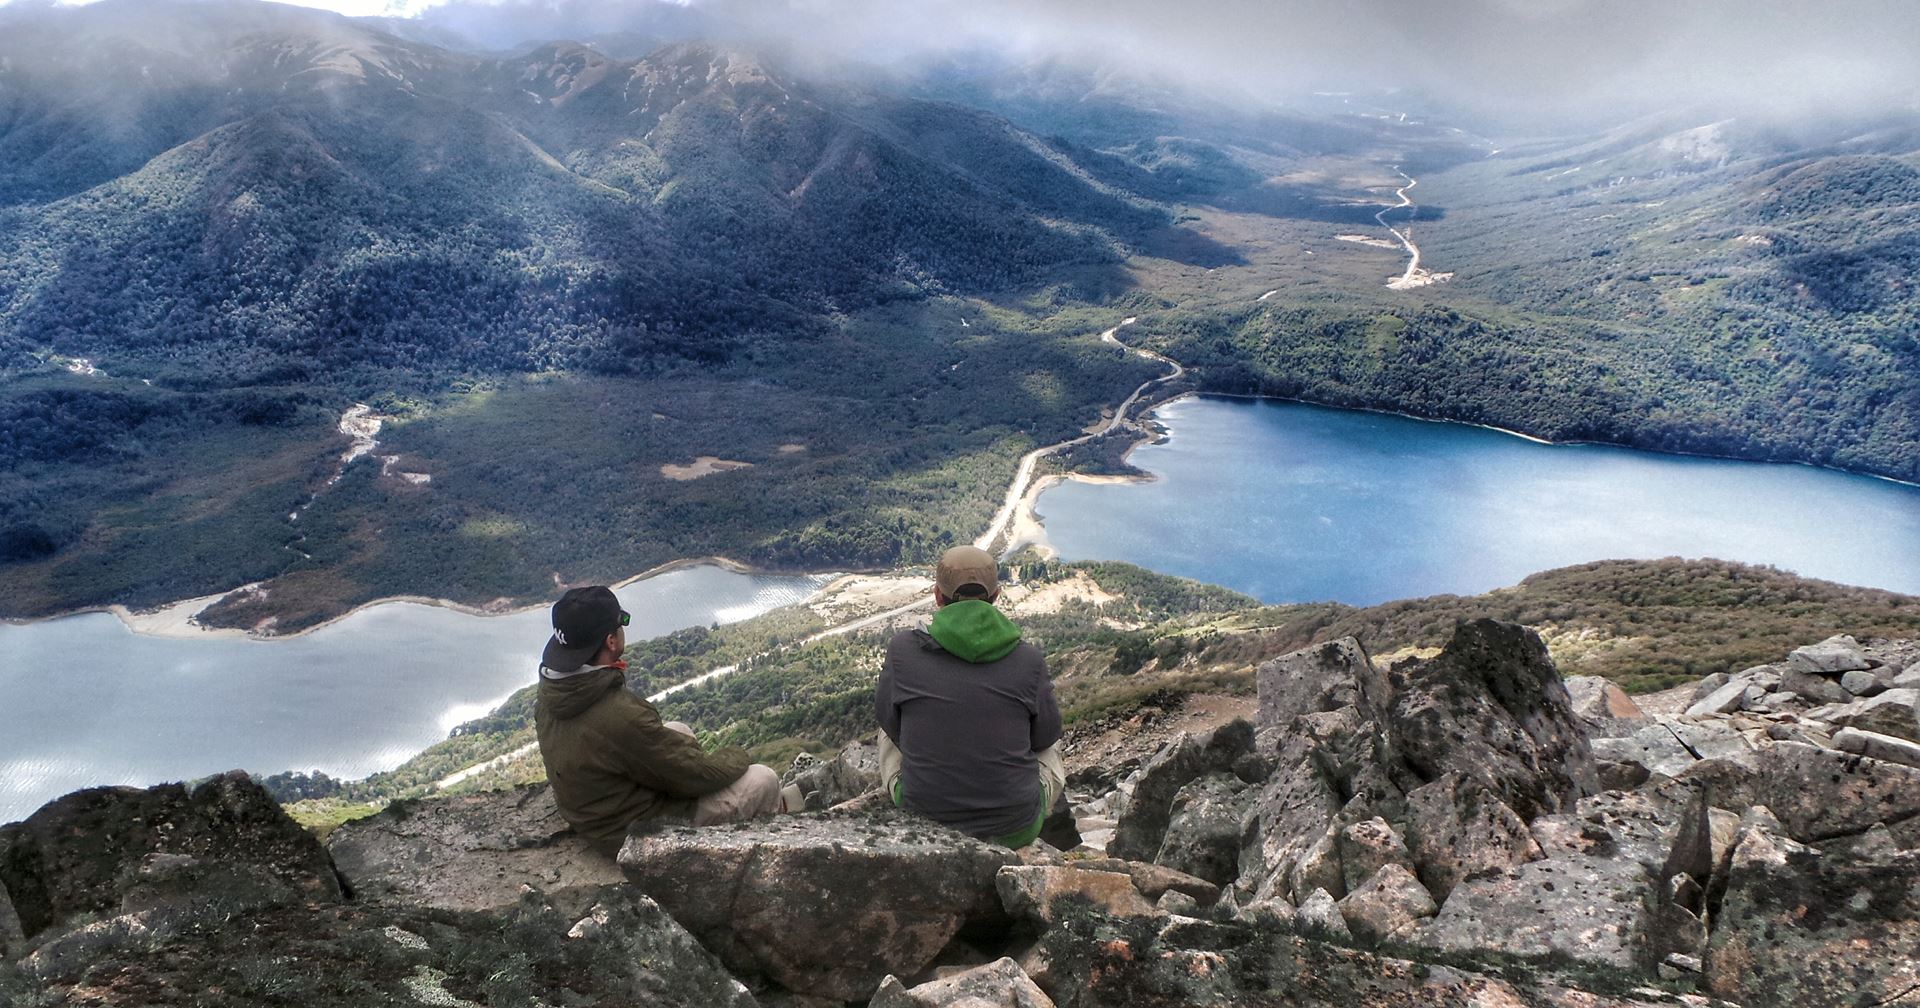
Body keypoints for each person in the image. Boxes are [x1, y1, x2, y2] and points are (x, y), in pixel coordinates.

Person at [535, 585, 788, 854]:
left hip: (595, 815)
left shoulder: (551, 692)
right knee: (764, 779)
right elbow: (700, 775)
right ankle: (777, 854)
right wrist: (739, 755)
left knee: (678, 730)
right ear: (611, 641)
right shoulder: (618, 714)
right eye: (623, 623)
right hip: (630, 835)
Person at [875, 545, 1067, 848]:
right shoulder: (1028, 660)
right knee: (1050, 746)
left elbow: (889, 722)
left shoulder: (902, 650)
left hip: (924, 822)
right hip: (1015, 829)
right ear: (996, 595)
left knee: (886, 731)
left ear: (938, 596)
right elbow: (1044, 737)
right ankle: (1061, 839)